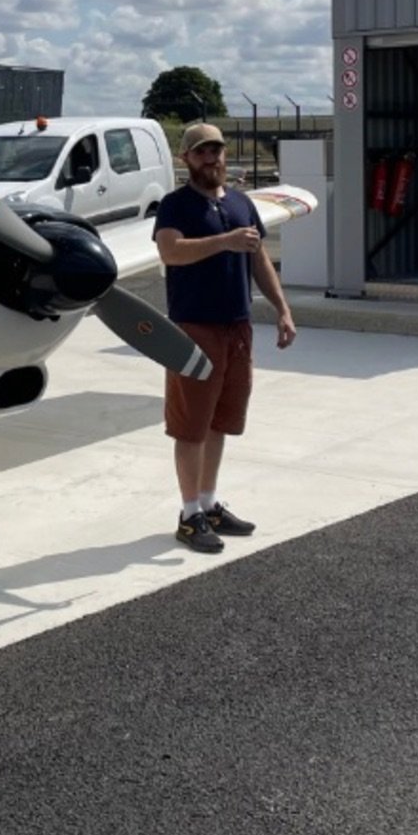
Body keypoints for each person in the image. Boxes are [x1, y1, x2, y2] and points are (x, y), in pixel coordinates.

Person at [153, 121, 296, 553]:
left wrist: (282, 308)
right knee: (190, 426)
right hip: (194, 326)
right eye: (201, 152)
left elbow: (258, 261)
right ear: (187, 160)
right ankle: (188, 513)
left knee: (220, 421)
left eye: (216, 151)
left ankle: (210, 503)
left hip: (237, 326)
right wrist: (223, 241)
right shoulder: (174, 206)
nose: (211, 159)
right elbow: (170, 251)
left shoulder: (240, 203)